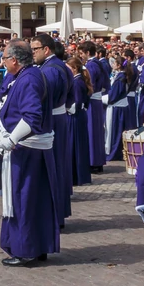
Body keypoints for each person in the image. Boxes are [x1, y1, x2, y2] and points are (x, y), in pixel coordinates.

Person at [0, 40, 59, 266]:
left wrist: (12, 139)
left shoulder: (29, 79)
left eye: (4, 58)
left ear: (14, 60)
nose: (3, 62)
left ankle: (25, 250)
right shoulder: (29, 75)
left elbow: (31, 116)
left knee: (23, 200)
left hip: (26, 150)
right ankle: (38, 246)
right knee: (36, 200)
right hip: (33, 150)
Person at [32, 35, 71, 228]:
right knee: (57, 166)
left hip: (51, 121)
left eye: (35, 49)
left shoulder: (50, 70)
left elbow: (44, 99)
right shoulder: (59, 66)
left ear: (46, 49)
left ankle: (53, 216)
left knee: (52, 167)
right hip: (58, 118)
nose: (32, 53)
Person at [80, 41, 108, 173]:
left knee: (91, 131)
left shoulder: (90, 65)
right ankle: (98, 160)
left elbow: (89, 84)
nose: (81, 56)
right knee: (97, 132)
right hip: (97, 99)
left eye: (82, 53)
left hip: (91, 100)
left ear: (87, 52)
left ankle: (93, 161)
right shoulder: (100, 64)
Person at [67, 56, 92, 187]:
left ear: (75, 69)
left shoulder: (76, 82)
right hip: (80, 115)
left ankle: (76, 175)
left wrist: (66, 107)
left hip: (75, 116)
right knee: (79, 145)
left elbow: (76, 103)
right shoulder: (80, 80)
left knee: (74, 145)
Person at [104, 52, 134, 161]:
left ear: (119, 65)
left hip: (117, 108)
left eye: (114, 63)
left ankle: (114, 152)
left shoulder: (121, 77)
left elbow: (114, 95)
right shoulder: (122, 75)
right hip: (120, 106)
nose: (112, 64)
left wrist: (102, 99)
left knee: (116, 131)